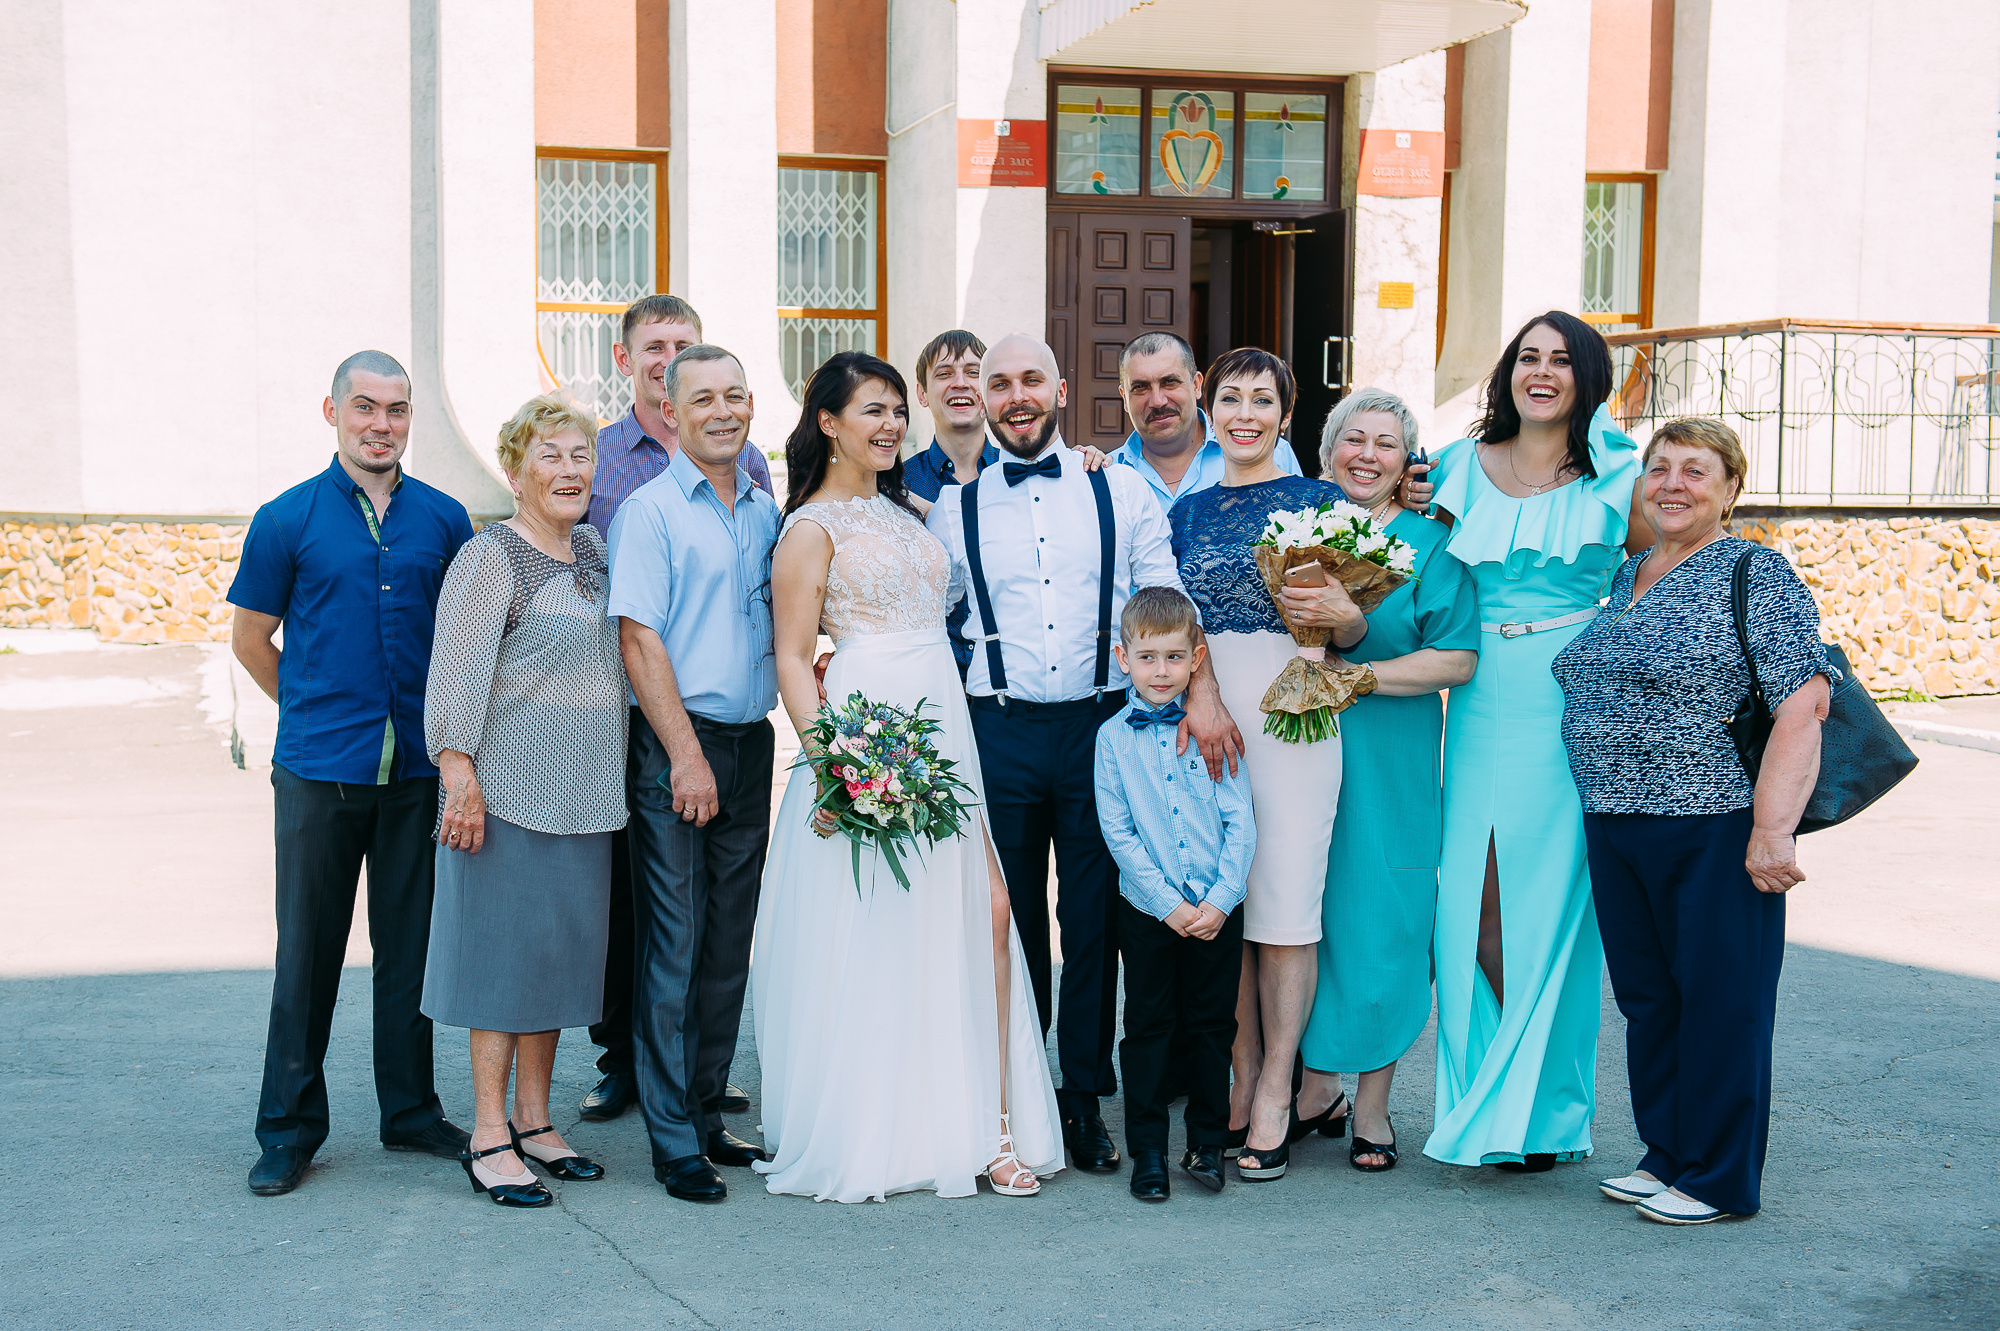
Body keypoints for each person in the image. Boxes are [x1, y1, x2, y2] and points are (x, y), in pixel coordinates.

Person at [926, 333, 1238, 1178]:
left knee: (1096, 924)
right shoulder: (953, 508)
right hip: (1000, 728)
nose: (1016, 395)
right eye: (1000, 384)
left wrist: (1200, 690)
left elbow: (1165, 601)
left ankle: (1083, 1100)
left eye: (1031, 379)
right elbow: (928, 621)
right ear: (983, 401)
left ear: (1061, 390)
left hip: (1106, 729)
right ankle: (1019, 1101)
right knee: (1013, 921)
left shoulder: (1123, 490)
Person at [753, 350, 1062, 1202]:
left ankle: (993, 1124)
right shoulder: (811, 529)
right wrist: (836, 769)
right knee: (884, 925)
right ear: (828, 422)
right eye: (872, 411)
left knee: (984, 911)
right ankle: (886, 1125)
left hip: (944, 717)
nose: (891, 425)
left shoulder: (907, 509)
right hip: (870, 724)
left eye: (897, 410)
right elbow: (789, 654)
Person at [1553, 417, 1830, 1225]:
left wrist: (1772, 828)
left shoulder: (1756, 572)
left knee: (1722, 998)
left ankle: (1718, 1176)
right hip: (1617, 819)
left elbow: (1803, 704)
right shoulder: (1633, 568)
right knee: (1652, 997)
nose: (1673, 483)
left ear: (1730, 489)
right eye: (1660, 468)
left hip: (1712, 821)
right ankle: (1668, 1150)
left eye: (1695, 471)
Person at [229, 350, 474, 1197]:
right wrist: (307, 708)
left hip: (416, 772)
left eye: (397, 410)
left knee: (410, 952)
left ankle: (409, 1110)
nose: (382, 424)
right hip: (318, 773)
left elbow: (467, 645)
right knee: (308, 954)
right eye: (365, 407)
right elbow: (252, 639)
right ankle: (289, 1128)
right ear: (331, 412)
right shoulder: (286, 518)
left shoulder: (445, 521)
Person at [1423, 311, 1648, 1173]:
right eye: (1528, 356)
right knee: (1474, 910)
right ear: (1508, 372)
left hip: (1570, 704)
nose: (1542, 371)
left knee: (1549, 912)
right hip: (1478, 702)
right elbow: (1411, 560)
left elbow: (1663, 571)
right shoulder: (1451, 465)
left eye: (1561, 359)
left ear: (1585, 375)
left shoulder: (1621, 475)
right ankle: (1491, 1095)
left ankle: (1542, 1112)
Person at [422, 395, 628, 1207]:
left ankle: (537, 1121)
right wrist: (458, 774)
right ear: (514, 471)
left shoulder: (594, 549)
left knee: (556, 966)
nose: (571, 469)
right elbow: (456, 673)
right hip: (505, 795)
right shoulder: (490, 558)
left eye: (580, 454)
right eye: (551, 455)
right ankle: (486, 1134)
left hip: (585, 794)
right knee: (502, 969)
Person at [1168, 347, 1359, 1182]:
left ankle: (1281, 1085)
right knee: (1229, 905)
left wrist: (1342, 614)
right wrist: (1196, 696)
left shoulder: (1324, 503)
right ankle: (1241, 1077)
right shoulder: (1185, 511)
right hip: (1206, 716)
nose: (1244, 413)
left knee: (1284, 903)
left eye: (1262, 400)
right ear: (1210, 409)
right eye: (1231, 398)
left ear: (1287, 416)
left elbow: (1352, 629)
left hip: (1293, 712)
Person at [582, 294, 768, 1125]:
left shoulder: (765, 504)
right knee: (672, 942)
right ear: (669, 408)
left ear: (751, 406)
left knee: (729, 944)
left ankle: (703, 1104)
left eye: (733, 397)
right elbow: (639, 640)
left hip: (751, 743)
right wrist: (685, 754)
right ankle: (669, 1134)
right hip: (673, 745)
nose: (720, 412)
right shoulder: (648, 510)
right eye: (701, 399)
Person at [1294, 389, 1480, 1171]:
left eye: (1386, 443)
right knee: (1305, 914)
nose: (1366, 454)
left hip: (1391, 752)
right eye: (1352, 439)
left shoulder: (1433, 546)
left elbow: (1458, 657)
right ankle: (1311, 1089)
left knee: (1389, 915)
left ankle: (1371, 1104)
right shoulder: (1294, 533)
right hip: (1299, 744)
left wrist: (1360, 675)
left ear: (1408, 463)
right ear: (1328, 450)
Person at [1095, 586, 1256, 1202]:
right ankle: (1149, 1155)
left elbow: (1241, 820)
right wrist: (1168, 904)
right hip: (1149, 910)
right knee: (1147, 1026)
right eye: (1147, 657)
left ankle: (1208, 1144)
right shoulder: (1112, 739)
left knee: (1214, 1026)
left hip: (1217, 907)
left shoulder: (1214, 732)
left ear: (1196, 658)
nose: (1160, 671)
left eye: (1173, 657)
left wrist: (1219, 900)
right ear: (1123, 658)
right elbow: (1118, 830)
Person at [898, 329, 999, 678]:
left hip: (1010, 686)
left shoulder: (1021, 476)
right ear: (922, 394)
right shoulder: (896, 485)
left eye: (974, 372)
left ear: (989, 389)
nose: (960, 382)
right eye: (944, 373)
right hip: (930, 675)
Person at [1113, 332, 1300, 511]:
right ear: (1124, 398)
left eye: (1169, 382)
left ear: (1196, 385)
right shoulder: (1105, 473)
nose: (1157, 401)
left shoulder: (1275, 454)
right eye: (1140, 387)